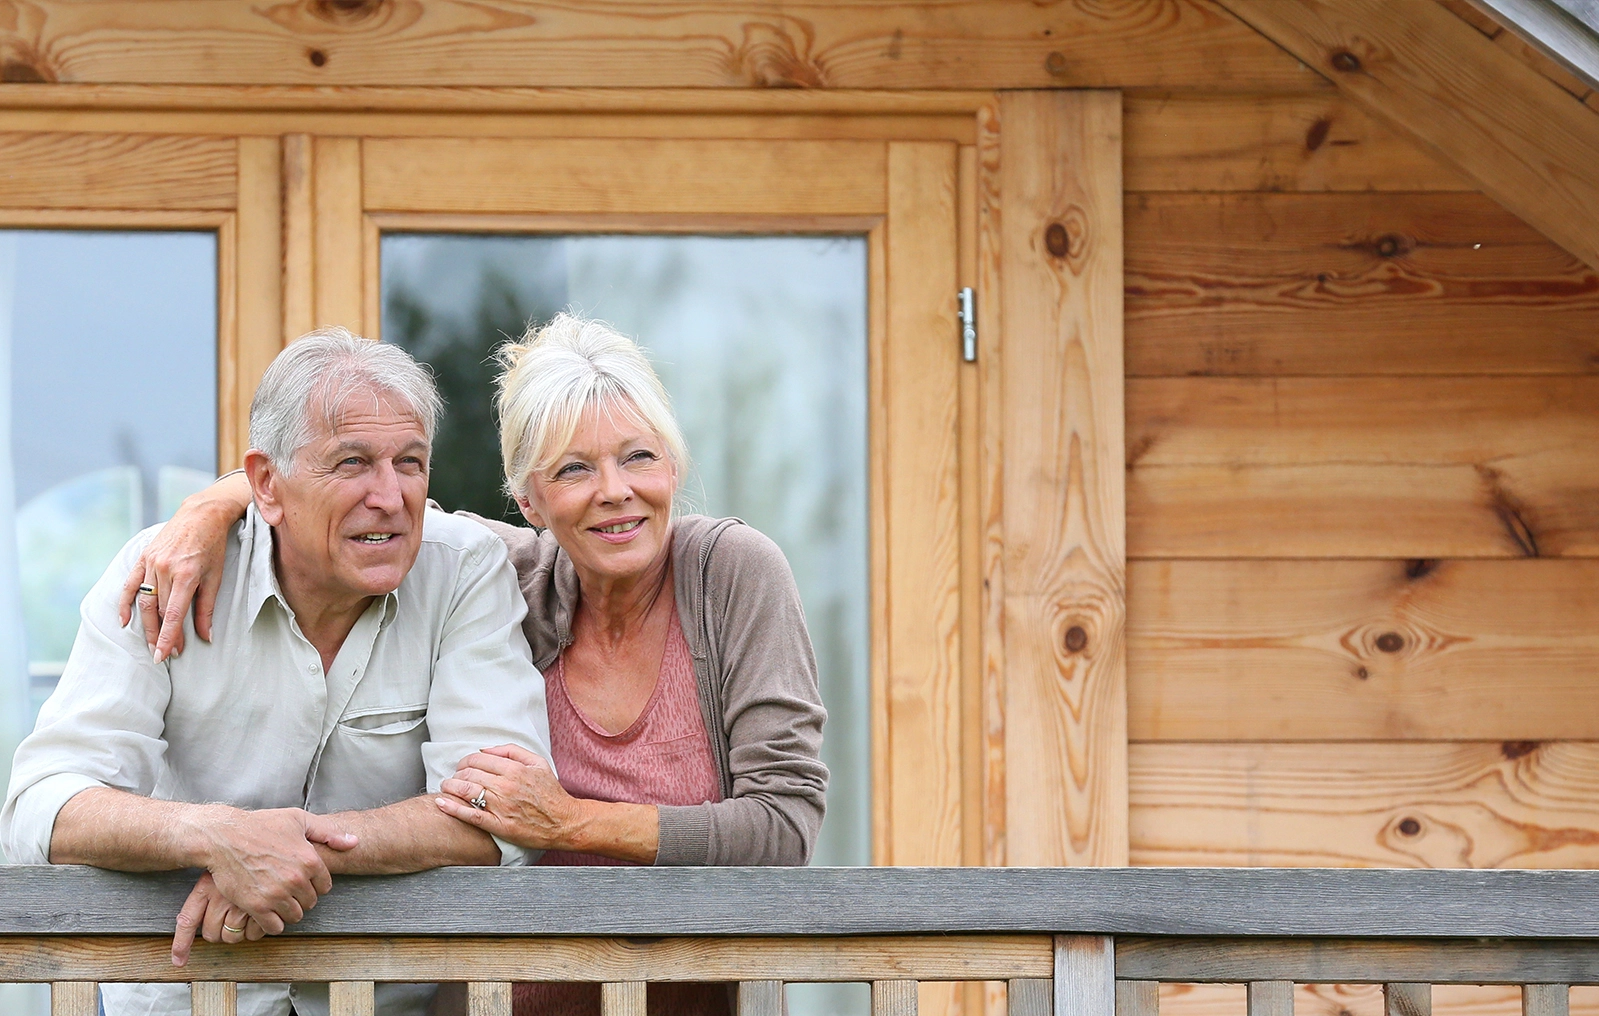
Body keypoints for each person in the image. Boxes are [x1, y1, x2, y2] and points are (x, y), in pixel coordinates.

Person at [128, 314, 829, 1016]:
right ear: (529, 501)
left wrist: (569, 823)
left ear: (673, 467)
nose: (614, 489)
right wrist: (207, 510)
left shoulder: (731, 573)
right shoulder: (499, 571)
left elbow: (782, 823)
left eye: (639, 456)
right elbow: (345, 503)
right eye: (574, 469)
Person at [2, 329, 553, 1016]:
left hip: (382, 1002)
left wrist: (286, 852)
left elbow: (502, 818)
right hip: (179, 999)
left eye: (409, 463)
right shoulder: (159, 575)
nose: (390, 496)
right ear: (266, 483)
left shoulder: (464, 569)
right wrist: (215, 836)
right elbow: (39, 808)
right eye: (352, 462)